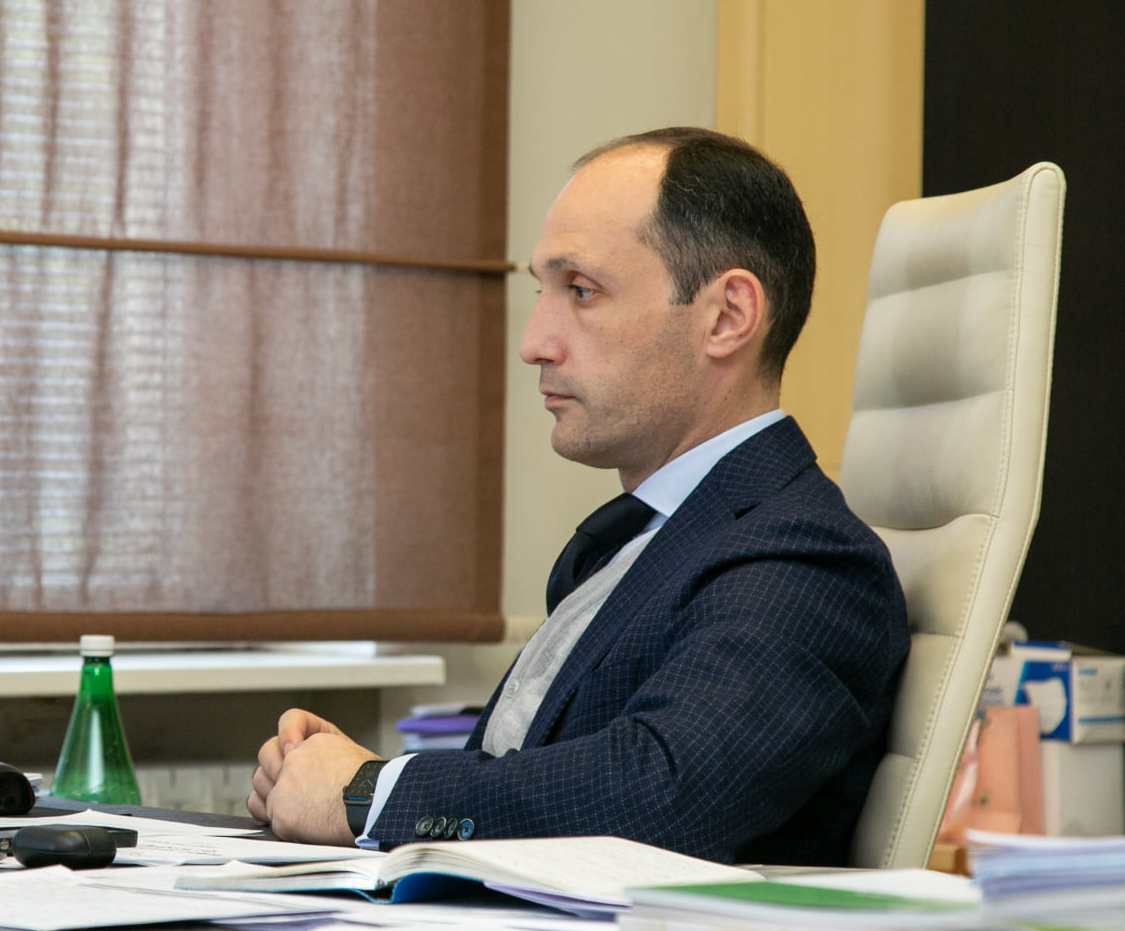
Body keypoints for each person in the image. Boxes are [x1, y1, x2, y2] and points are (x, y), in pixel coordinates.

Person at [247, 128, 908, 865]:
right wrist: (342, 776)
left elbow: (659, 792)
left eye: (582, 291)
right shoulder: (640, 539)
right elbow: (548, 782)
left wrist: (373, 794)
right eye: (543, 290)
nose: (534, 342)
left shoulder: (805, 556)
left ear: (726, 317)